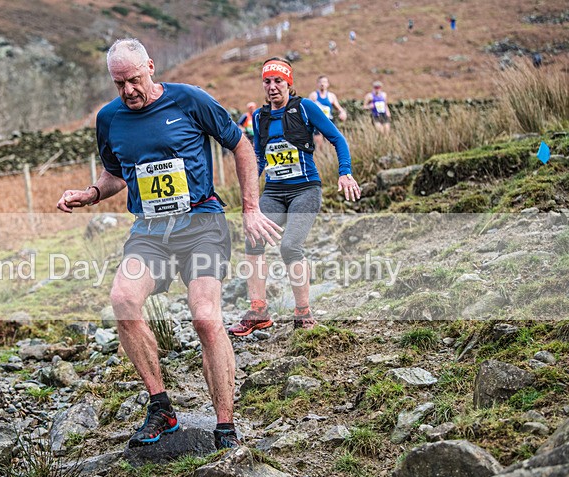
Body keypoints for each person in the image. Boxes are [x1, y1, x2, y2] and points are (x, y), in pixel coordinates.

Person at [57, 38, 281, 450]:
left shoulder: (190, 100)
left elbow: (240, 145)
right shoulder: (109, 119)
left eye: (135, 80)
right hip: (151, 231)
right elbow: (115, 174)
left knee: (205, 317)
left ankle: (226, 426)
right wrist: (89, 193)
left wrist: (250, 207)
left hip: (201, 223)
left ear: (151, 68)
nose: (128, 91)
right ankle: (161, 407)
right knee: (123, 299)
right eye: (119, 83)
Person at [228, 58, 359, 337]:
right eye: (267, 81)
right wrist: (249, 192)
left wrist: (345, 172)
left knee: (289, 247)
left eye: (278, 81)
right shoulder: (261, 117)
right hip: (274, 193)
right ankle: (258, 311)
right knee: (253, 238)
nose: (273, 87)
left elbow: (337, 138)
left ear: (289, 83)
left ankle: (303, 314)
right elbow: (260, 159)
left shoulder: (305, 108)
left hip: (305, 190)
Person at [307, 75, 348, 150]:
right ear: (317, 84)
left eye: (324, 82)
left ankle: (328, 160)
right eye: (320, 82)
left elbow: (339, 108)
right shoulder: (313, 95)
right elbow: (306, 109)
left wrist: (342, 113)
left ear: (328, 84)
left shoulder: (331, 96)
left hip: (329, 122)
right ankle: (319, 159)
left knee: (330, 145)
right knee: (319, 145)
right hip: (317, 123)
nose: (322, 84)